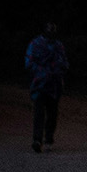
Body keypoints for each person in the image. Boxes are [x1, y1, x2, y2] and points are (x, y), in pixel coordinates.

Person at [25, 23, 69, 154]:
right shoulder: (36, 44)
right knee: (39, 113)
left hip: (54, 86)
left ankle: (48, 139)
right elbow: (29, 63)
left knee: (52, 114)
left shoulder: (58, 46)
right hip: (40, 84)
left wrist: (60, 69)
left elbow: (65, 63)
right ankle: (37, 140)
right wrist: (42, 73)